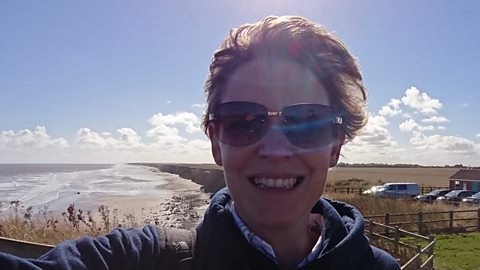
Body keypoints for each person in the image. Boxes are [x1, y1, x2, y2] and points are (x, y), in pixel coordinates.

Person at [0, 15, 400, 269]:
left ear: (335, 144)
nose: (276, 150)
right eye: (244, 121)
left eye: (306, 121)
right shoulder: (143, 259)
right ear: (215, 142)